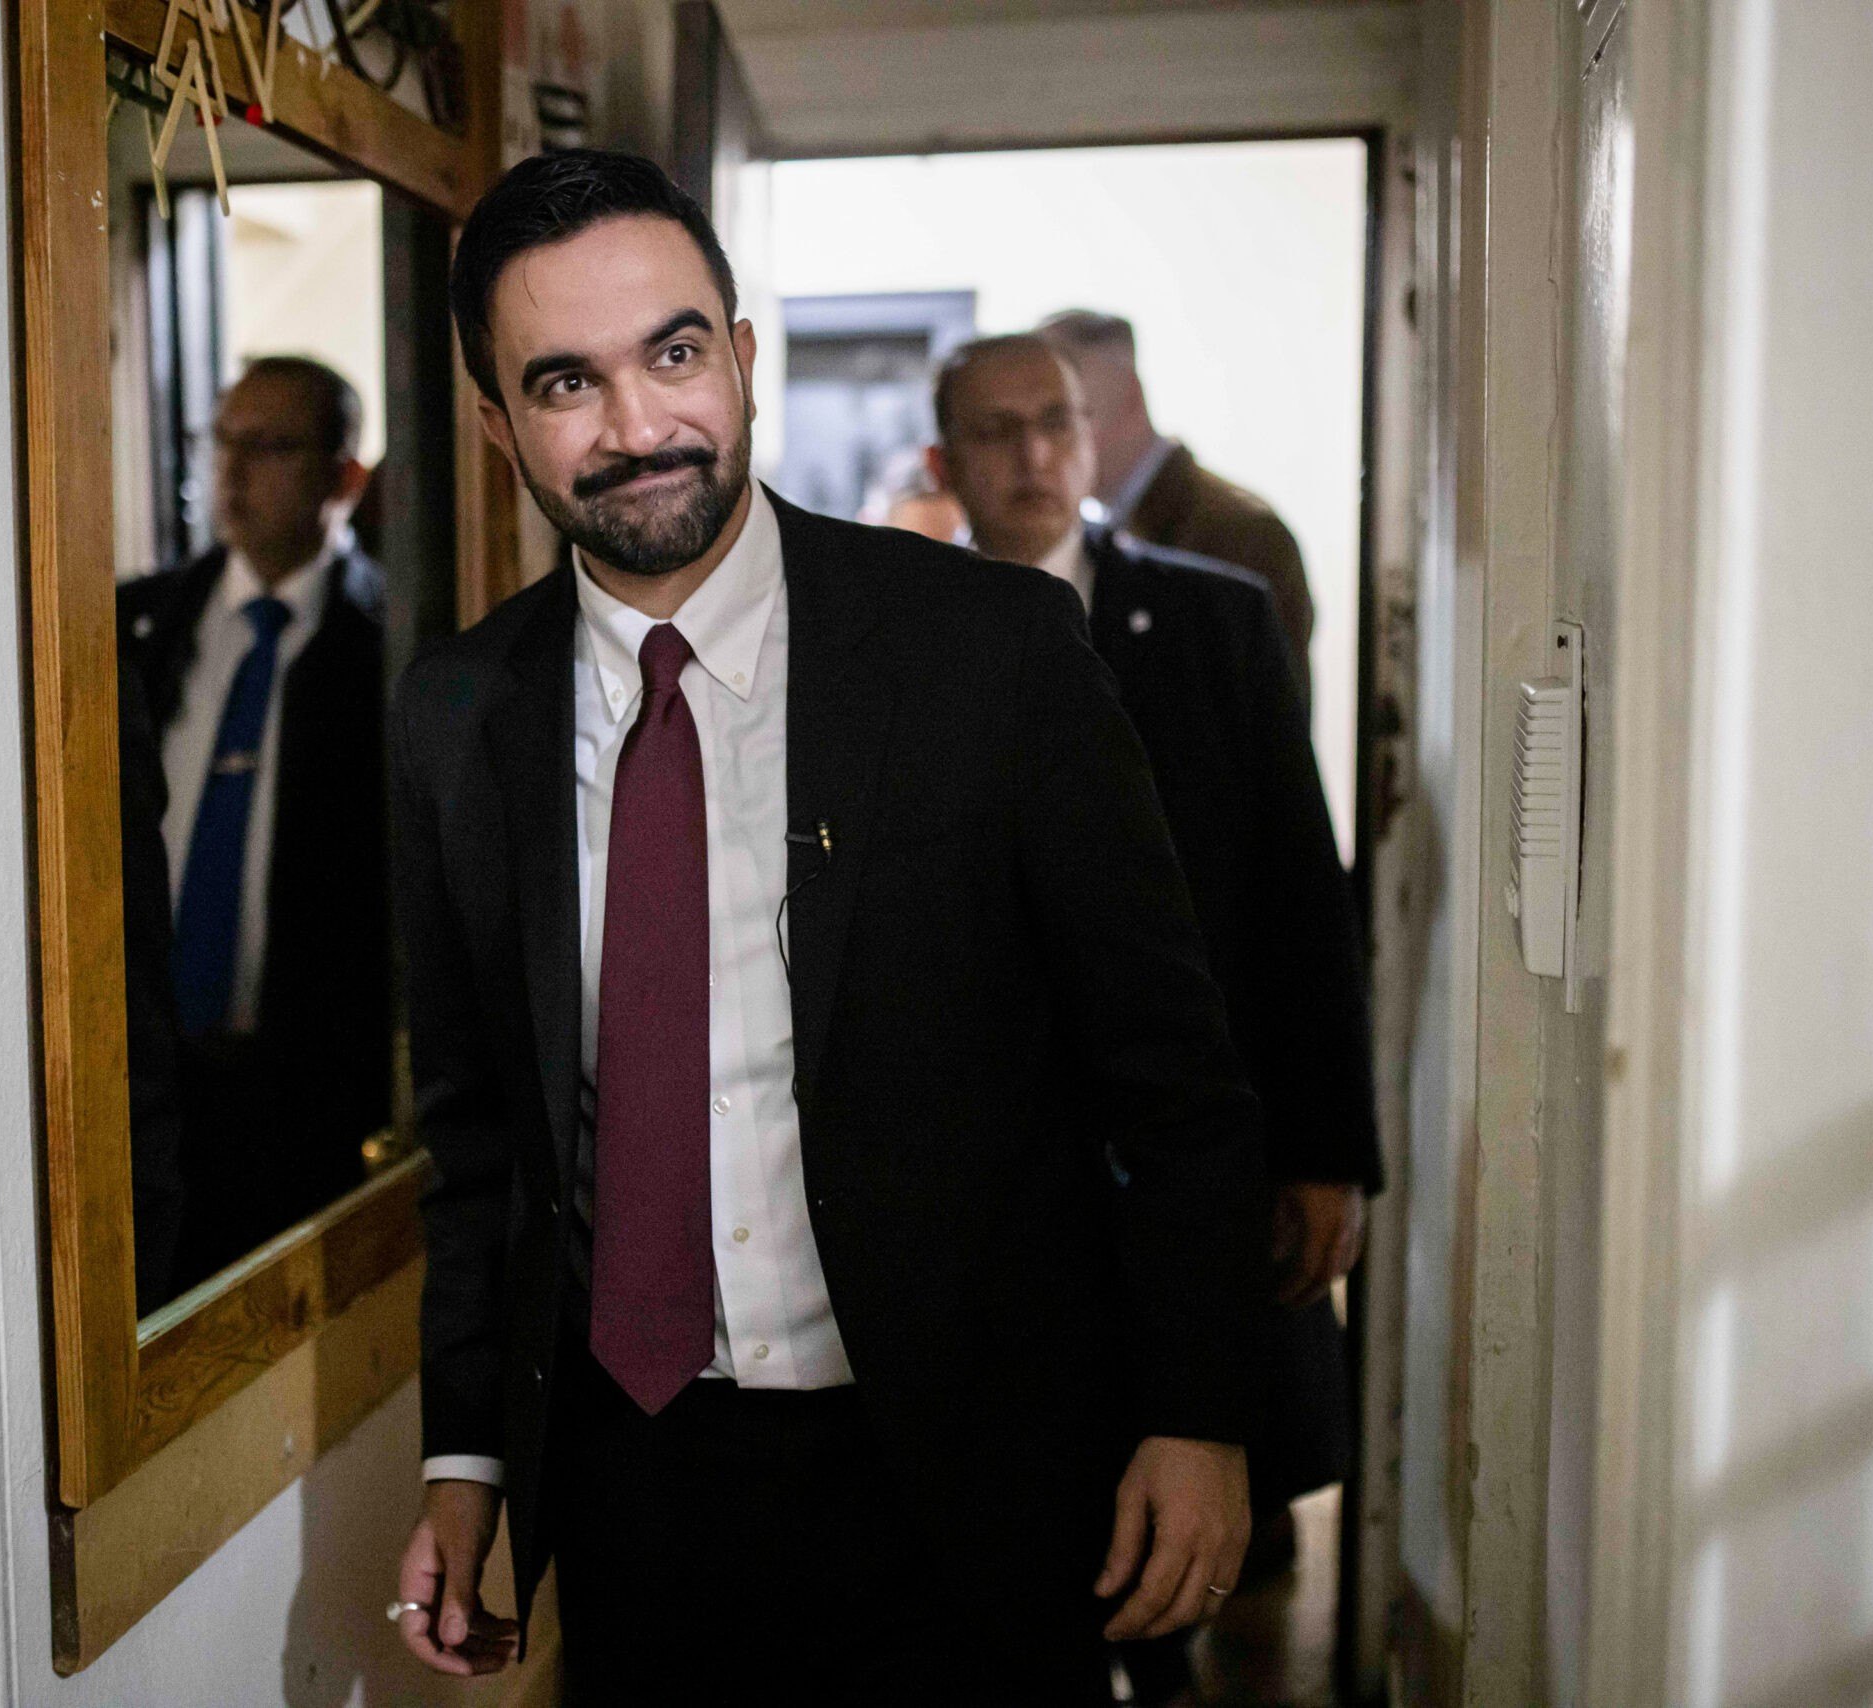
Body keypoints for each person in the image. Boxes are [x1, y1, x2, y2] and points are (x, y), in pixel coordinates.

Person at [388, 149, 1271, 1706]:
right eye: (563, 383)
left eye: (671, 355)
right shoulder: (458, 715)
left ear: (739, 355)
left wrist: (1197, 1408)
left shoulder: (987, 652)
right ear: (496, 424)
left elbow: (1173, 1073)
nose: (637, 428)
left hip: (969, 1468)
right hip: (634, 1484)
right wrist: (469, 1457)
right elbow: (481, 1146)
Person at [927, 333, 1382, 1703]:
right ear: (949, 459)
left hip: (1180, 1126)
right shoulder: (901, 633)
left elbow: (1302, 893)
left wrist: (1326, 1146)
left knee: (1183, 1424)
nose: (1033, 458)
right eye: (998, 432)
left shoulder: (1207, 618)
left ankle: (1167, 1660)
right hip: (986, 1143)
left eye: (1055, 424)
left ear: (1094, 434)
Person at [118, 355, 392, 1288]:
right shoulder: (138, 624)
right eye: (220, 441)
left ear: (340, 476)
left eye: (267, 448)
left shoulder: (393, 645)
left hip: (306, 1096)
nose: (229, 474)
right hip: (150, 1084)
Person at [1036, 308, 1317, 703]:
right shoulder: (1089, 533)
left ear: (1130, 399)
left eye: (1065, 414)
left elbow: (1271, 737)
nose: (1041, 448)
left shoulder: (1242, 534)